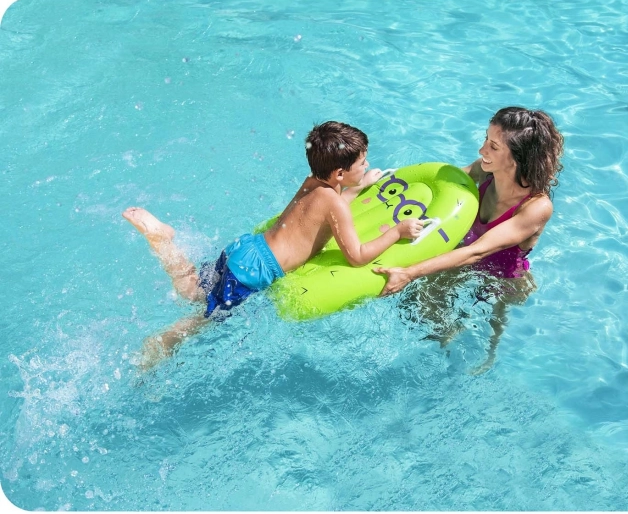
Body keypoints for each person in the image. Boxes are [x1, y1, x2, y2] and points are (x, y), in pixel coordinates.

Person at [123, 121, 425, 369]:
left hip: (246, 249)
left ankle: (163, 240)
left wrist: (359, 185)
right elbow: (357, 256)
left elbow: (323, 210)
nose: (367, 165)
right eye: (362, 163)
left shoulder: (313, 182)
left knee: (194, 288)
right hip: (255, 271)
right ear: (340, 173)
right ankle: (163, 342)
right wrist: (397, 232)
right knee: (206, 317)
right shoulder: (335, 204)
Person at [374, 107, 564, 373]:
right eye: (486, 139)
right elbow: (440, 185)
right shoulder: (485, 171)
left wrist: (409, 273)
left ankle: (485, 362)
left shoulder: (535, 207)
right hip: (466, 259)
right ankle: (448, 341)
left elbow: (478, 251)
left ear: (517, 158)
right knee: (420, 305)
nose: (482, 149)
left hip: (502, 277)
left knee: (489, 339)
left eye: (493, 146)